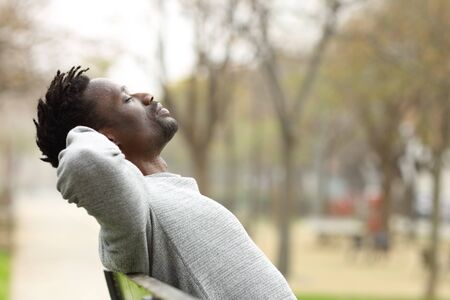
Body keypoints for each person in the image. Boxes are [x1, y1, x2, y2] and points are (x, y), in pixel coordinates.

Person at [33, 66, 296, 299]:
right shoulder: (134, 213)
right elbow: (84, 161)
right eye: (127, 99)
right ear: (107, 139)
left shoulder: (151, 199)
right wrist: (84, 135)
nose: (146, 96)